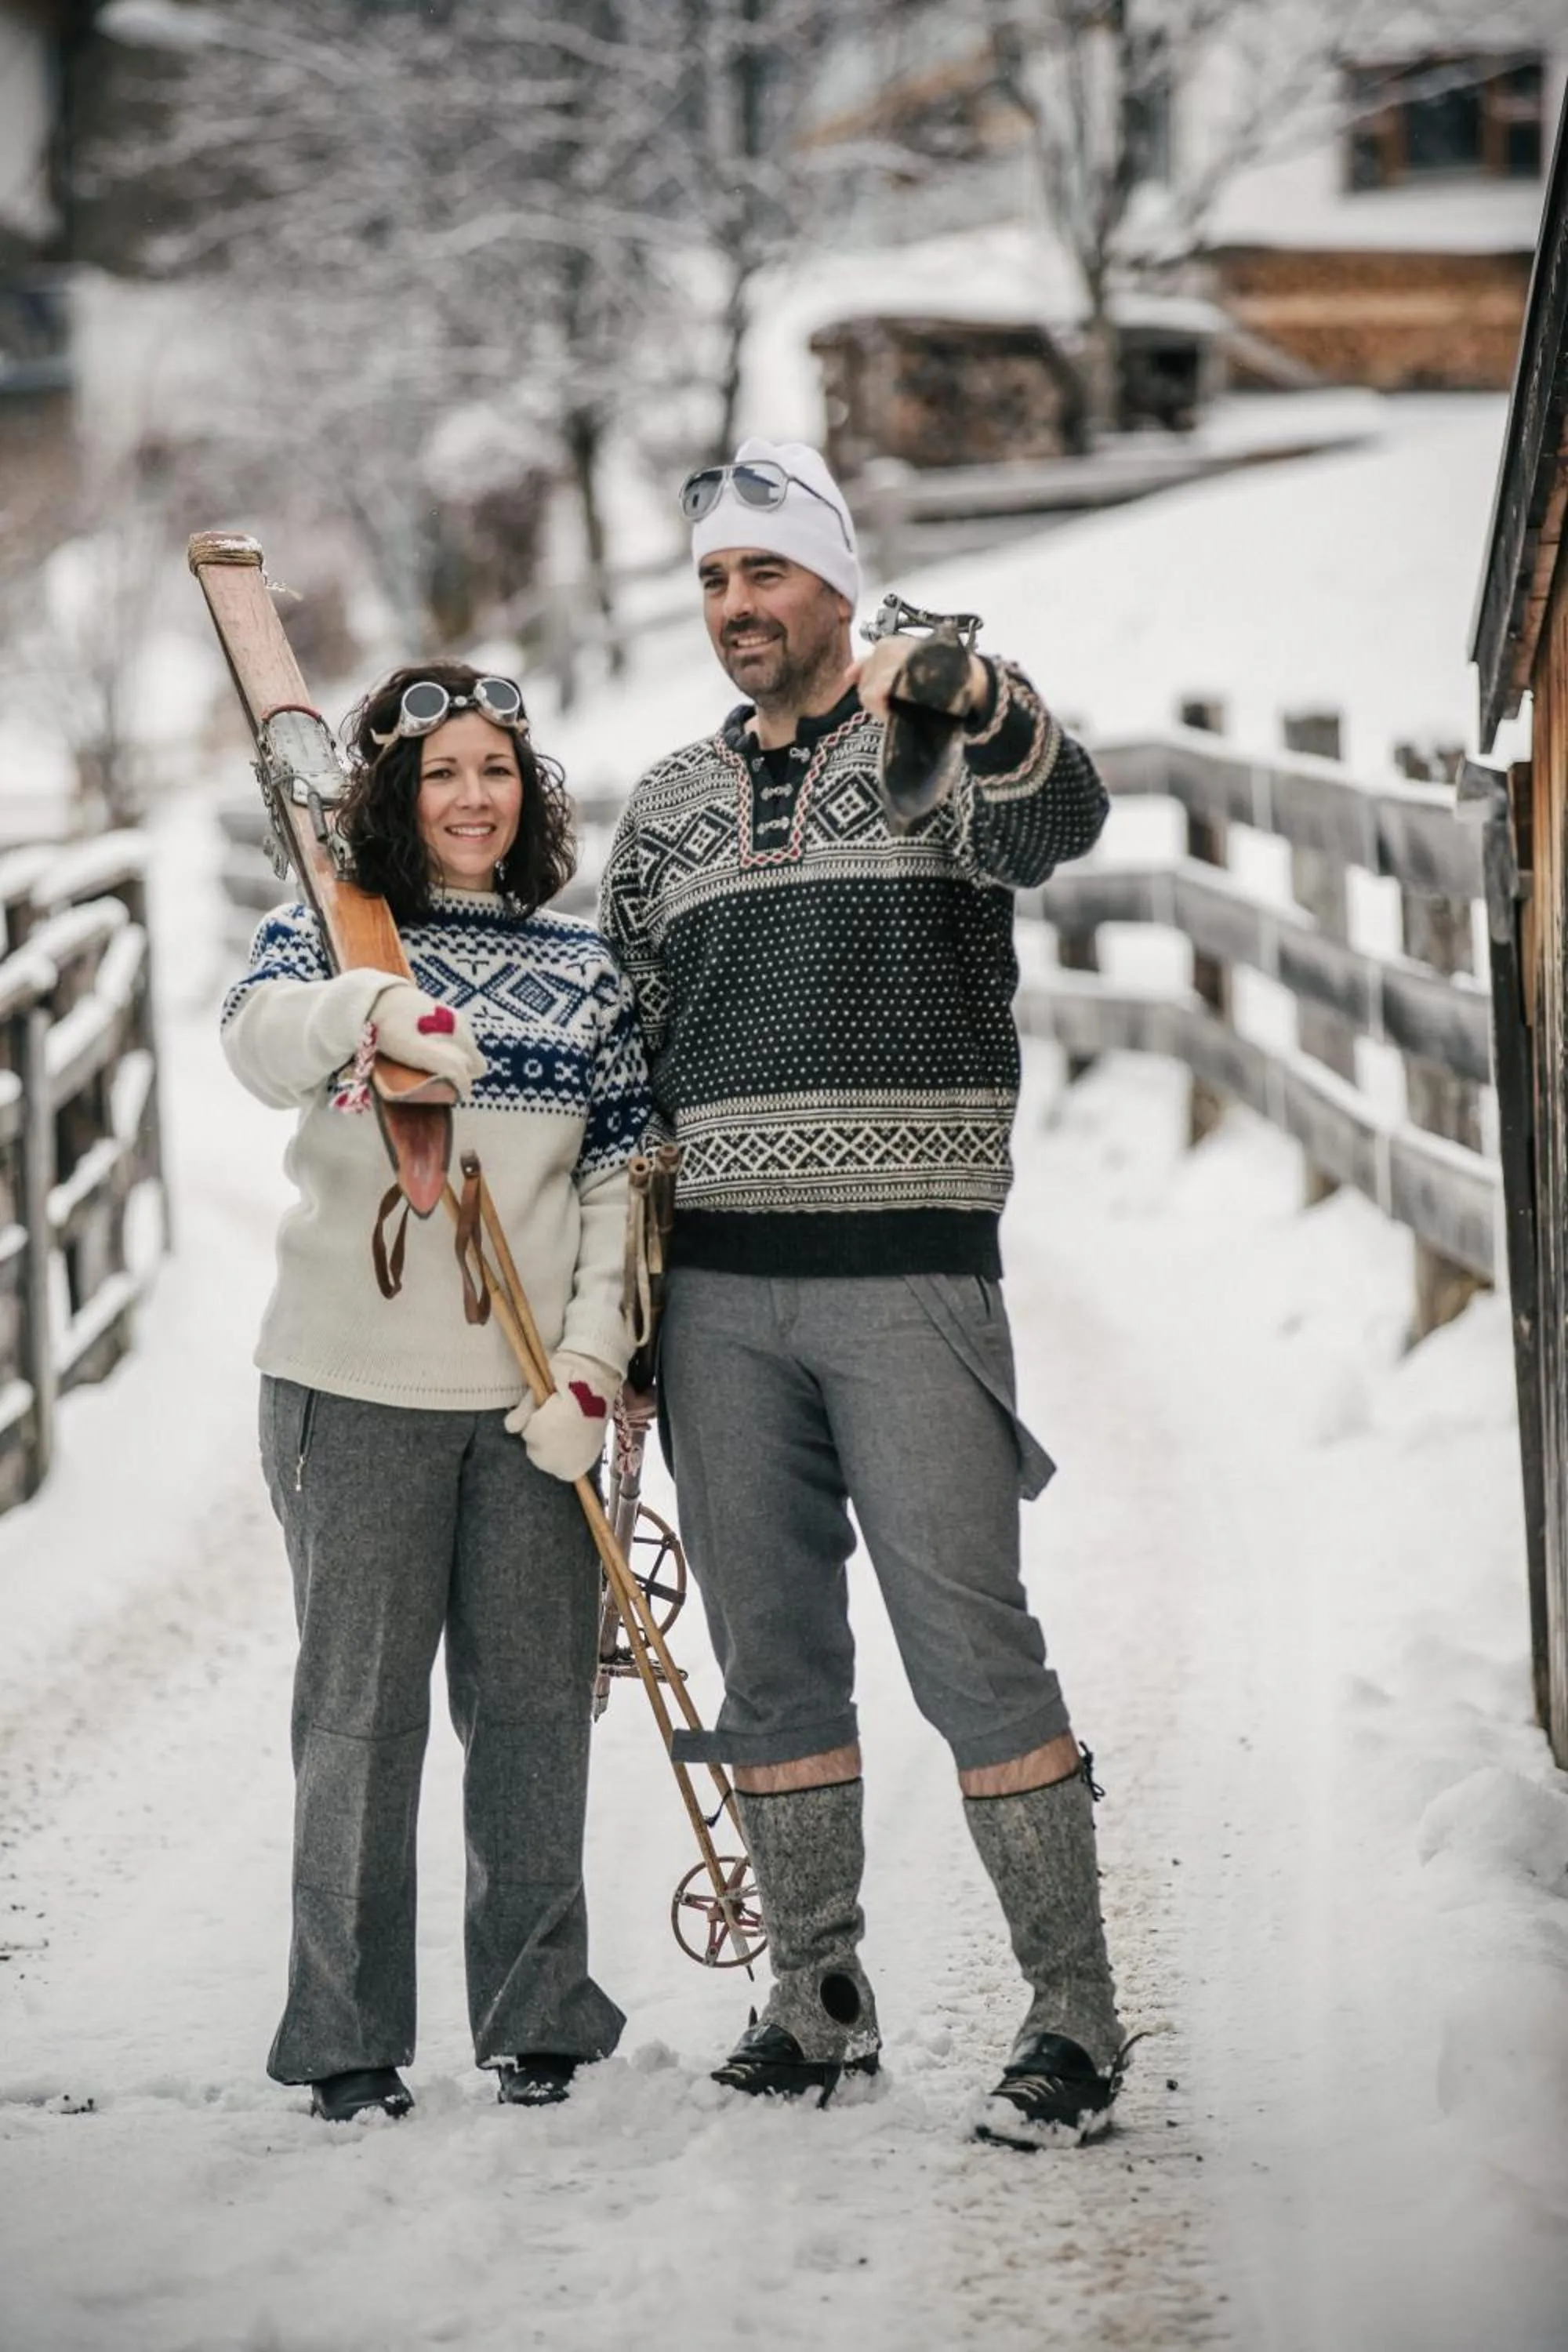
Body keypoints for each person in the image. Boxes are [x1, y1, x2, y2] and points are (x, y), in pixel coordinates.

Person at [599, 440, 1127, 2147]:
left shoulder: (933, 750)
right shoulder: (667, 805)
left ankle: (1074, 2022)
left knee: (975, 1653)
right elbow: (623, 1054)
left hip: (908, 1278)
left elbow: (1065, 817)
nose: (734, 607)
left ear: (834, 582)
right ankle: (814, 2000)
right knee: (773, 1671)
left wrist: (965, 687)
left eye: (764, 573)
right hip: (722, 1306)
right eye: (710, 581)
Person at [223, 662, 650, 2122]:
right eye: (442, 774)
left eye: (498, 771)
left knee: (533, 1712)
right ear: (394, 799)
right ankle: (345, 2038)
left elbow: (614, 1187)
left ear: (528, 795)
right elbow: (252, 1044)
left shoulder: (586, 970)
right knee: (359, 1720)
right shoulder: (326, 936)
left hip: (529, 1404)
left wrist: (590, 1371)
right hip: (350, 1389)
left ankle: (543, 2015)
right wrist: (366, 1014)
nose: (474, 798)